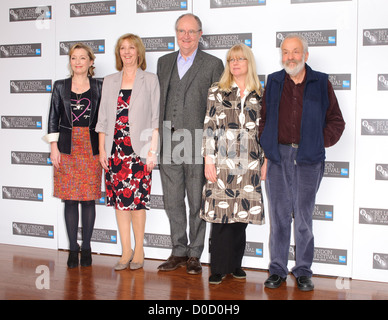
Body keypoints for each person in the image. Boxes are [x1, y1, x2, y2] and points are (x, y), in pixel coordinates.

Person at [259, 34, 345, 291]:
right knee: (279, 217)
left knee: (304, 218)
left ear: (305, 55)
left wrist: (318, 142)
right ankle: (277, 270)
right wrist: (267, 146)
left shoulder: (321, 82)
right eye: (286, 52)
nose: (290, 57)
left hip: (309, 159)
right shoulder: (273, 81)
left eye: (295, 52)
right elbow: (264, 119)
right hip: (277, 158)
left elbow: (336, 121)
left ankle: (304, 270)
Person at [157, 13, 224, 275]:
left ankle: (195, 253)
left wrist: (211, 149)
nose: (186, 36)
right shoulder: (163, 63)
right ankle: (178, 250)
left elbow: (218, 110)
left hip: (198, 143)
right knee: (172, 201)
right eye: (181, 31)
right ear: (176, 33)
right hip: (169, 141)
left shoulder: (213, 64)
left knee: (197, 201)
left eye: (191, 31)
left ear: (200, 34)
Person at [201, 44, 265, 284]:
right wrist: (209, 159)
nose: (235, 63)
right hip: (223, 160)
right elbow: (209, 127)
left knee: (241, 215)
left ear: (249, 62)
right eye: (231, 60)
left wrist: (265, 160)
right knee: (221, 216)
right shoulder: (217, 90)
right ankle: (218, 267)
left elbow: (265, 129)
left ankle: (236, 265)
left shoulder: (260, 92)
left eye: (240, 59)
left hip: (250, 161)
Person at [96, 34, 159, 271]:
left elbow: (155, 118)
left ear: (139, 52)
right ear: (118, 53)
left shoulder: (150, 80)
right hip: (115, 150)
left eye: (131, 47)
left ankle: (139, 250)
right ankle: (125, 251)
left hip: (140, 151)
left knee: (137, 203)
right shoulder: (110, 80)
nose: (127, 52)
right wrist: (102, 149)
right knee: (120, 204)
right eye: (122, 48)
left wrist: (153, 150)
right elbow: (102, 119)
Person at [46, 43, 103, 268]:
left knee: (89, 199)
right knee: (69, 199)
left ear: (90, 62)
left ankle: (86, 247)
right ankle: (73, 248)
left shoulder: (100, 85)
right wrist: (53, 147)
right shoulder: (60, 86)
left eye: (82, 58)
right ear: (70, 62)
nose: (78, 62)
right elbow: (53, 118)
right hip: (66, 147)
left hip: (91, 147)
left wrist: (102, 148)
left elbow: (104, 120)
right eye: (73, 58)